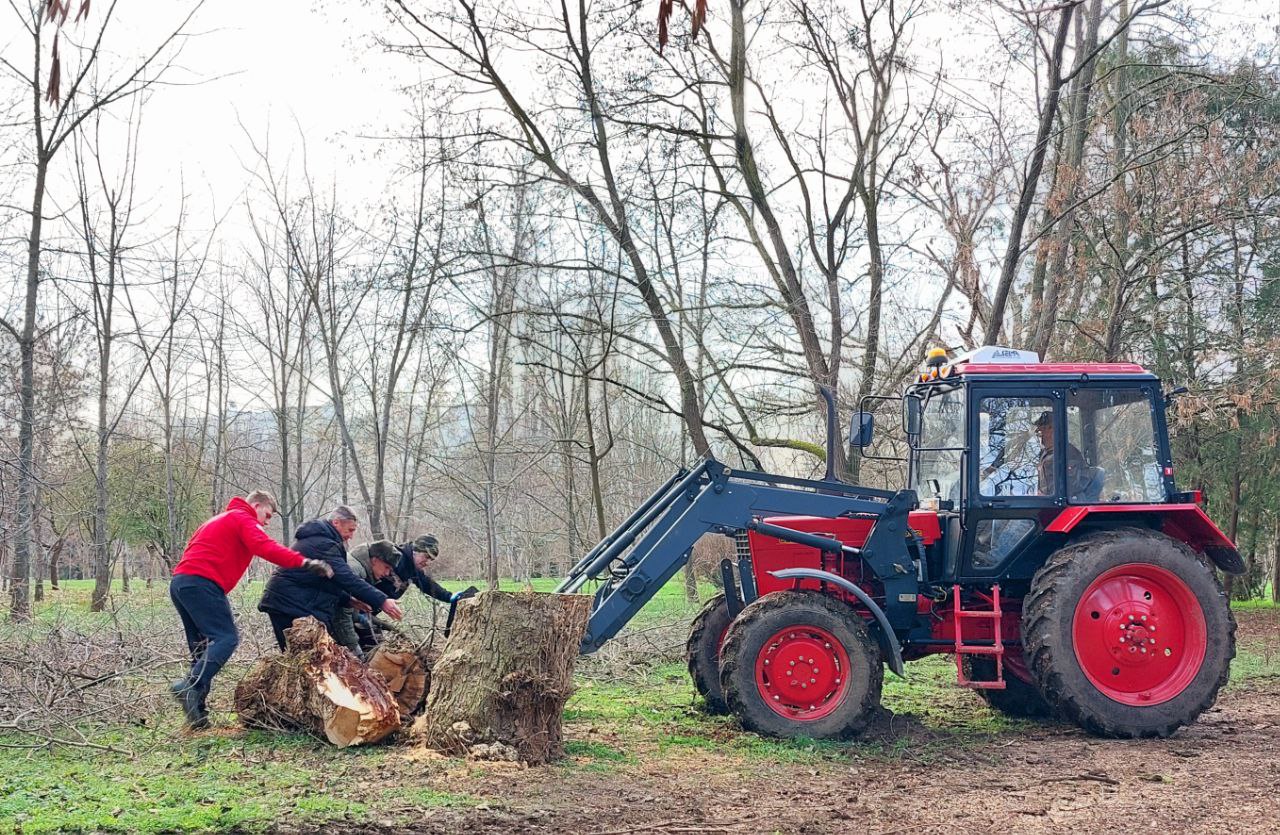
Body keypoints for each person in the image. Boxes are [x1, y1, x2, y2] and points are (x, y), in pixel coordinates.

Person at [169, 490, 334, 729]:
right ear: (256, 505)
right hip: (203, 582)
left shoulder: (216, 520)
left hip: (181, 583)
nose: (266, 522)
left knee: (202, 647)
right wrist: (304, 562)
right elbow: (264, 547)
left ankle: (198, 714)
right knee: (226, 638)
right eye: (267, 515)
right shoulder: (242, 518)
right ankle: (191, 687)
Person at [256, 506, 404, 651]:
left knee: (306, 661)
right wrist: (382, 600)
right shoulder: (324, 544)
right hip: (289, 605)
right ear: (336, 522)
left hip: (292, 604)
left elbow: (324, 582)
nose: (351, 536)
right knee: (304, 660)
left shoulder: (324, 542)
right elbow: (346, 578)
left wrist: (349, 600)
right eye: (350, 530)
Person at [1033, 412, 1088, 496]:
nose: (1040, 434)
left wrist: (1048, 496)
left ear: (1053, 430)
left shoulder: (1068, 453)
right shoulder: (1044, 453)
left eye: (1042, 429)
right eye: (1039, 431)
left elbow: (1069, 487)